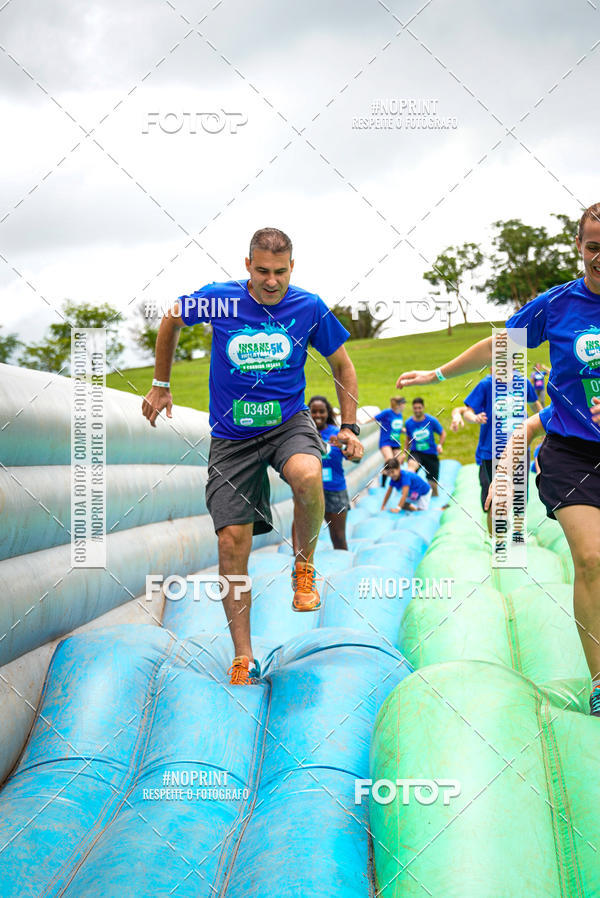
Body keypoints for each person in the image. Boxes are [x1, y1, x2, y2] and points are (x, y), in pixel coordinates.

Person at [396, 201, 600, 717]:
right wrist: (437, 376)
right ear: (579, 246)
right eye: (594, 246)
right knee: (593, 559)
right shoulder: (558, 306)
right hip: (572, 454)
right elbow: (499, 345)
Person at [142, 227, 363, 685]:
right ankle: (243, 655)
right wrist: (161, 384)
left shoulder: (308, 306)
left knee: (307, 474)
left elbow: (343, 365)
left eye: (280, 272)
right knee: (230, 544)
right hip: (232, 435)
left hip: (287, 423)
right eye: (262, 270)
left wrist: (349, 425)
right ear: (247, 266)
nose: (271, 281)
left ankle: (304, 567)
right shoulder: (219, 300)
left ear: (292, 268)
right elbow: (171, 320)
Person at [451, 368, 542, 533]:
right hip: (492, 452)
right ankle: (496, 539)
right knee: (495, 498)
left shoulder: (523, 383)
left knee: (520, 493)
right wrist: (475, 418)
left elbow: (535, 406)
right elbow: (468, 411)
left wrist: (546, 424)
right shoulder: (486, 385)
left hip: (519, 448)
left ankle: (517, 532)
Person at [292, 395, 359, 552]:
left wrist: (342, 447)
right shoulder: (303, 433)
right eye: (313, 411)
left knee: (338, 537)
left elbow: (356, 460)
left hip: (335, 490)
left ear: (327, 413)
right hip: (308, 489)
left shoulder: (337, 433)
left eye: (321, 411)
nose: (318, 415)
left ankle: (343, 564)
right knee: (301, 537)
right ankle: (297, 564)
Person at [401, 398, 446, 496]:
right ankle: (407, 495)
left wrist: (440, 445)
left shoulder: (431, 421)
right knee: (410, 469)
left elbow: (442, 433)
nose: (417, 410)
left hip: (430, 454)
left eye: (419, 408)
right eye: (415, 408)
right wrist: (404, 453)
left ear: (423, 407)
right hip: (416, 453)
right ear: (412, 408)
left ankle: (433, 502)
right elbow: (408, 439)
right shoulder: (409, 423)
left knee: (433, 486)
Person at [374, 397, 406, 486]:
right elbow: (375, 418)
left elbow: (396, 427)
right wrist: (362, 422)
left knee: (399, 460)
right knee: (390, 461)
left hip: (395, 442)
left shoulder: (399, 415)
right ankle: (383, 485)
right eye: (404, 404)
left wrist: (403, 430)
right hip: (385, 442)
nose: (405, 406)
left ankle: (398, 482)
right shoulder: (387, 412)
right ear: (399, 405)